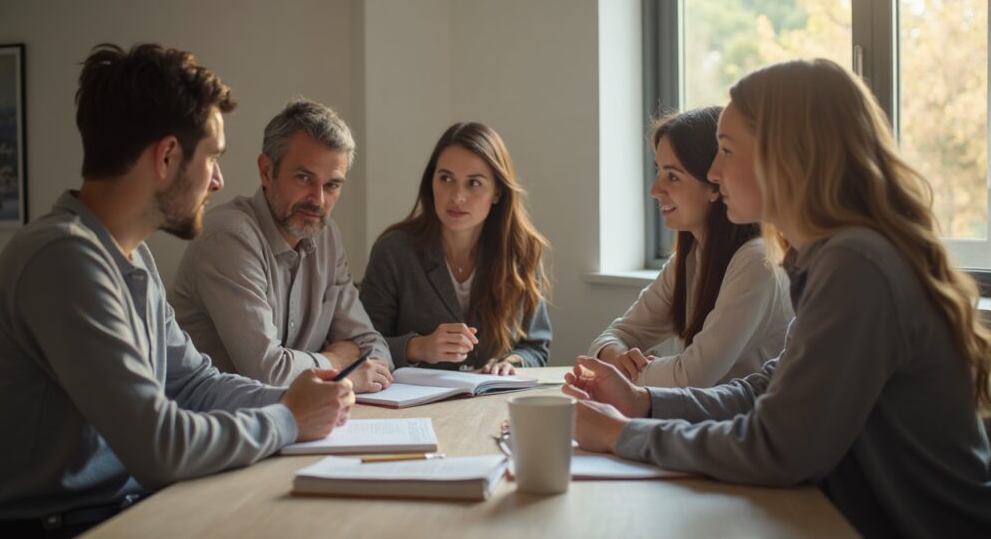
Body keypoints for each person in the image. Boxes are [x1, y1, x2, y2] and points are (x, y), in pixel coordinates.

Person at [563, 58, 991, 537]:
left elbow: (777, 448)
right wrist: (642, 402)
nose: (713, 171)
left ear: (786, 155)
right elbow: (765, 388)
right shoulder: (827, 255)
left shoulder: (856, 264)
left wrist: (623, 434)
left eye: (725, 151)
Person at [0, 44, 354, 537]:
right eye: (213, 156)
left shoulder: (132, 255)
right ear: (168, 156)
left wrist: (295, 397)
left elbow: (193, 384)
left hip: (127, 508)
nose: (218, 180)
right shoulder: (63, 259)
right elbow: (159, 447)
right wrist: (288, 419)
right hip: (63, 526)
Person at [170, 99, 394, 393]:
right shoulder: (228, 238)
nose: (318, 200)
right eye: (304, 178)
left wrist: (363, 366)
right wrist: (338, 363)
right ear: (266, 171)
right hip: (219, 424)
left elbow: (373, 346)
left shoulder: (326, 235)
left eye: (332, 185)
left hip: (297, 421)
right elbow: (267, 371)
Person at [588, 107, 791, 387]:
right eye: (659, 171)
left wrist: (626, 371)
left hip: (743, 426)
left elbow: (692, 376)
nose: (654, 190)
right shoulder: (691, 258)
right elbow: (612, 336)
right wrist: (616, 354)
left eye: (672, 176)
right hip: (705, 422)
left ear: (715, 185)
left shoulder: (757, 261)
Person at [360, 122, 551, 375]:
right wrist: (418, 347)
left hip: (491, 401)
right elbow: (363, 345)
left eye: (474, 183)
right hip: (417, 404)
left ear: (497, 192)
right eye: (446, 178)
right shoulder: (394, 251)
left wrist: (512, 362)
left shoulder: (522, 251)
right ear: (431, 182)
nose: (457, 196)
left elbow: (536, 346)